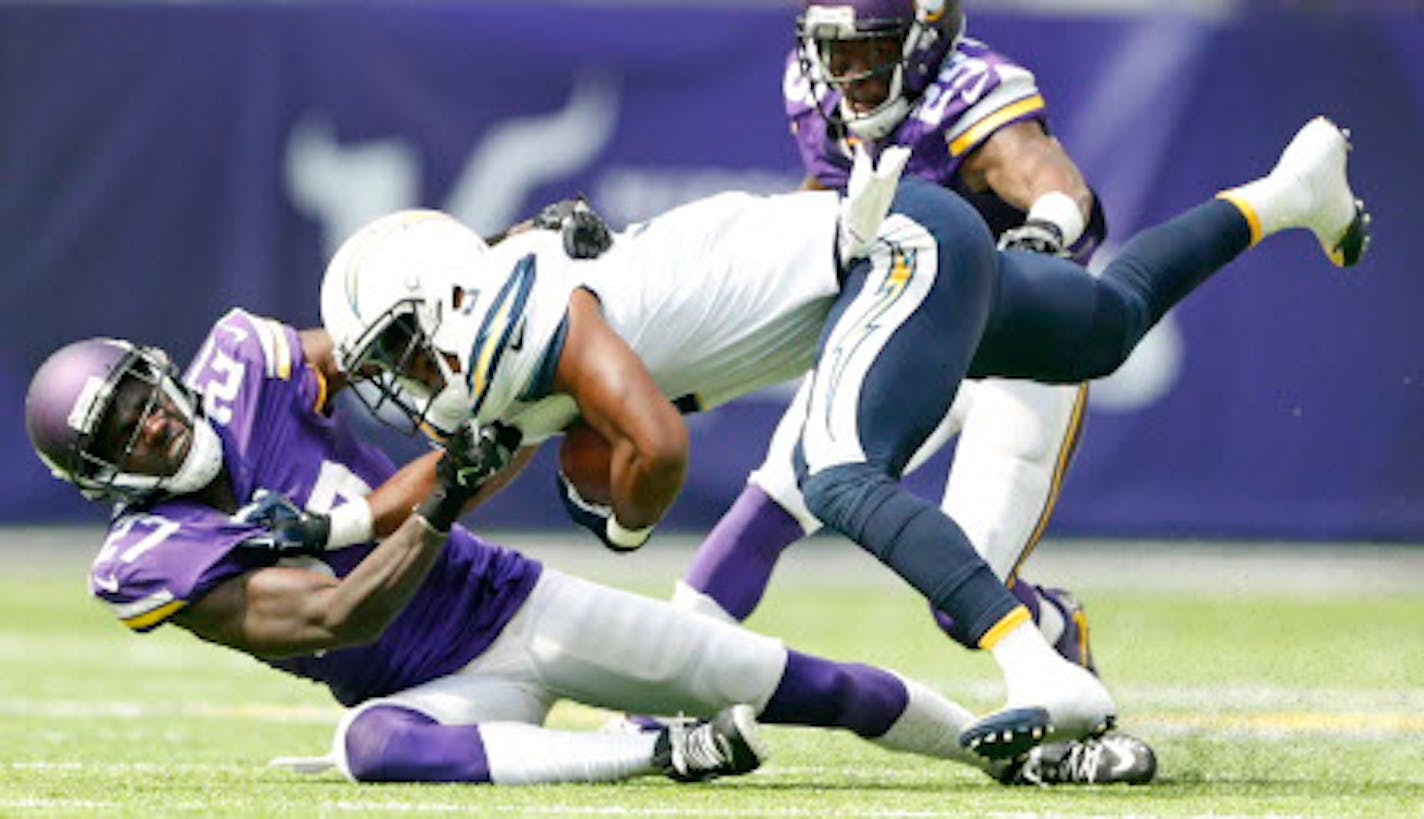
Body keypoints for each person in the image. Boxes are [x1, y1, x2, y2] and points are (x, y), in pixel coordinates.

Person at [319, 116, 1369, 760]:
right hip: (899, 247)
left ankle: (1038, 669)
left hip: (889, 247)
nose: (405, 379)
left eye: (403, 350)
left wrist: (624, 512)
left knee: (831, 469)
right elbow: (451, 468)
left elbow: (658, 451)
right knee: (1103, 326)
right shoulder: (499, 353)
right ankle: (1287, 195)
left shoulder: (542, 320)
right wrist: (333, 521)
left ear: (452, 294)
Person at [23, 311, 1155, 786]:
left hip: (516, 608)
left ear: (162, 372)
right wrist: (440, 501)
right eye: (121, 432)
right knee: (372, 747)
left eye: (142, 399)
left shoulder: (243, 359)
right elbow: (336, 619)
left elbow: (389, 337)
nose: (154, 425)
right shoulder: (150, 555)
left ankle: (1008, 750)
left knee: (802, 686)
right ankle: (655, 753)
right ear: (102, 475)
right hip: (436, 685)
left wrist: (479, 331)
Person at [678, 0, 1106, 675]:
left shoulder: (972, 92)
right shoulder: (817, 91)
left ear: (924, 44)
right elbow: (827, 192)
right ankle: (652, 699)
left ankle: (1054, 627)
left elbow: (1049, 178)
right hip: (904, 326)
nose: (846, 73)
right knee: (770, 506)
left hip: (1018, 352)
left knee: (962, 598)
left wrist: (1047, 228)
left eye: (868, 50)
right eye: (834, 52)